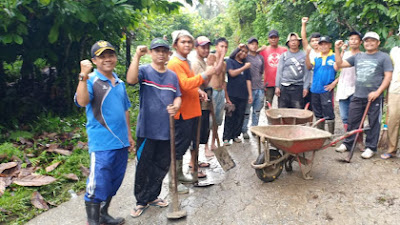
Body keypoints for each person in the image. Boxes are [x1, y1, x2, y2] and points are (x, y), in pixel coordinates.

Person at [74, 40, 134, 225]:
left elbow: (125, 109)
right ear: (94, 60)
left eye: (111, 55)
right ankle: (93, 221)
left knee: (113, 182)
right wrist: (83, 76)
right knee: (97, 183)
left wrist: (129, 136)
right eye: (102, 56)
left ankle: (104, 215)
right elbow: (82, 102)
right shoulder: (91, 80)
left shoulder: (120, 82)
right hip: (102, 143)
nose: (107, 59)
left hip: (121, 142)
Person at [126, 38, 182, 217]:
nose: (160, 54)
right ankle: (141, 200)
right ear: (151, 53)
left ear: (168, 54)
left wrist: (176, 105)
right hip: (147, 130)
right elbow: (131, 79)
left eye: (164, 51)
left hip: (167, 130)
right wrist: (136, 56)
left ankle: (153, 196)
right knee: (144, 165)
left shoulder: (172, 75)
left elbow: (178, 95)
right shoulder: (144, 71)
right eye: (157, 50)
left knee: (161, 165)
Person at [167, 30, 215, 193]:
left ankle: (180, 175)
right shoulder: (175, 63)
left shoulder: (185, 62)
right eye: (183, 42)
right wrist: (204, 75)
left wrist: (198, 91)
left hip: (191, 110)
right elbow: (185, 84)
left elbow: (188, 86)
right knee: (178, 147)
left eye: (189, 42)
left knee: (185, 144)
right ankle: (173, 181)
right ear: (175, 45)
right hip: (182, 112)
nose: (187, 44)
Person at [335, 32, 393, 159]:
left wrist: (378, 92)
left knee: (373, 123)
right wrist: (337, 49)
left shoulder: (384, 57)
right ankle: (348, 143)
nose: (369, 43)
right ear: (364, 42)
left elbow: (388, 76)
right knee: (352, 120)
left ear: (378, 43)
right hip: (358, 94)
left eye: (373, 41)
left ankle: (370, 147)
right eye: (367, 41)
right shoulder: (358, 56)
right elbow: (339, 64)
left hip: (375, 97)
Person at [190, 36, 214, 177]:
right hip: (197, 104)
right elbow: (203, 83)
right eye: (203, 47)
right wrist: (211, 70)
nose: (206, 49)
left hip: (204, 103)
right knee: (196, 135)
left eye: (207, 47)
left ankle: (196, 161)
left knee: (201, 134)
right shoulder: (195, 63)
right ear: (196, 48)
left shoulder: (202, 61)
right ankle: (193, 165)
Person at [306, 36, 338, 134]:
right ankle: (321, 134)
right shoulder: (316, 57)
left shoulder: (334, 56)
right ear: (318, 46)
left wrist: (334, 83)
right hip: (315, 89)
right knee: (318, 113)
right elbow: (308, 67)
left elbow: (343, 72)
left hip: (326, 90)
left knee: (329, 112)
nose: (323, 46)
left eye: (325, 44)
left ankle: (330, 135)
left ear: (330, 45)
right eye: (321, 44)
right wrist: (307, 55)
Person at [223, 45, 252, 145]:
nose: (243, 54)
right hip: (232, 94)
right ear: (237, 51)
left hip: (243, 95)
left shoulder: (246, 65)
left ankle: (235, 135)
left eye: (245, 52)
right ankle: (226, 138)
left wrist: (250, 95)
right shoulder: (230, 62)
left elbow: (248, 80)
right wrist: (244, 67)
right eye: (242, 51)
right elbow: (232, 73)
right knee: (230, 116)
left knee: (240, 116)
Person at [335, 31, 363, 132]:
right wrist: (339, 50)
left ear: (360, 42)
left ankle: (359, 141)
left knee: (357, 116)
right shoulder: (345, 54)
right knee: (344, 117)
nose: (353, 41)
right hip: (343, 87)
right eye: (351, 39)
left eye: (356, 39)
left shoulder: (364, 55)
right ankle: (348, 139)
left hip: (357, 89)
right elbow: (336, 67)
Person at [275, 32, 310, 109]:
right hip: (284, 87)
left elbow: (307, 72)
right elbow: (279, 72)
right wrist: (277, 86)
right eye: (291, 41)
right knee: (283, 111)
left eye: (295, 40)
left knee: (297, 112)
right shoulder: (284, 56)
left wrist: (306, 87)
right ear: (288, 43)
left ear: (298, 42)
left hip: (298, 87)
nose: (293, 42)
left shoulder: (304, 55)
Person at [381, 27, 400, 159]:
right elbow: (389, 71)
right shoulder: (394, 51)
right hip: (395, 90)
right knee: (393, 119)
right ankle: (392, 149)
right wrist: (387, 92)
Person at [241, 37, 264, 139]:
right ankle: (244, 130)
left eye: (256, 44)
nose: (254, 46)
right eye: (251, 44)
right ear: (248, 45)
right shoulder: (245, 57)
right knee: (246, 111)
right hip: (249, 89)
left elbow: (261, 71)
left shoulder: (260, 58)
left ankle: (254, 129)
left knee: (257, 110)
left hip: (259, 88)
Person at [258, 30, 287, 109]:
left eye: (275, 37)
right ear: (268, 39)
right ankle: (269, 120)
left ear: (278, 38)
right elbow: (253, 57)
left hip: (282, 82)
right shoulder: (264, 51)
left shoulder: (284, 50)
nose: (273, 39)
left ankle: (281, 120)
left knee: (282, 104)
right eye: (271, 38)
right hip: (268, 82)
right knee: (268, 104)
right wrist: (260, 49)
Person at [208, 38, 229, 148]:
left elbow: (223, 80)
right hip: (212, 92)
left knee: (218, 120)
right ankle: (206, 144)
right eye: (221, 46)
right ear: (216, 47)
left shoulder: (224, 63)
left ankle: (213, 142)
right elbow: (216, 70)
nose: (223, 49)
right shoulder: (211, 58)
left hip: (220, 92)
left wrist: (227, 98)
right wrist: (221, 57)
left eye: (226, 47)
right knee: (210, 120)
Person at [301, 17, 321, 110]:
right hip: (308, 83)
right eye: (313, 41)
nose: (315, 43)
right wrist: (303, 24)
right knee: (306, 107)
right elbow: (304, 38)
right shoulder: (309, 51)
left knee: (318, 108)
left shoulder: (325, 53)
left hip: (320, 84)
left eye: (317, 40)